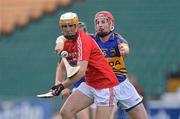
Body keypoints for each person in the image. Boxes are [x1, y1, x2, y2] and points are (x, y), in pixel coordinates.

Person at [51, 12, 120, 119]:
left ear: (76, 26)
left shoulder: (83, 41)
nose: (68, 29)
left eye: (71, 26)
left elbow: (81, 71)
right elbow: (61, 65)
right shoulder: (69, 41)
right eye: (65, 26)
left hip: (105, 85)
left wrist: (62, 86)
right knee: (65, 112)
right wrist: (58, 83)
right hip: (90, 84)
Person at [92, 11, 148, 119]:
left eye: (103, 22)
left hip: (122, 84)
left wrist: (124, 51)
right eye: (97, 22)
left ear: (111, 24)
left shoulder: (117, 38)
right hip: (104, 87)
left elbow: (125, 48)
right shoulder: (92, 41)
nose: (100, 25)